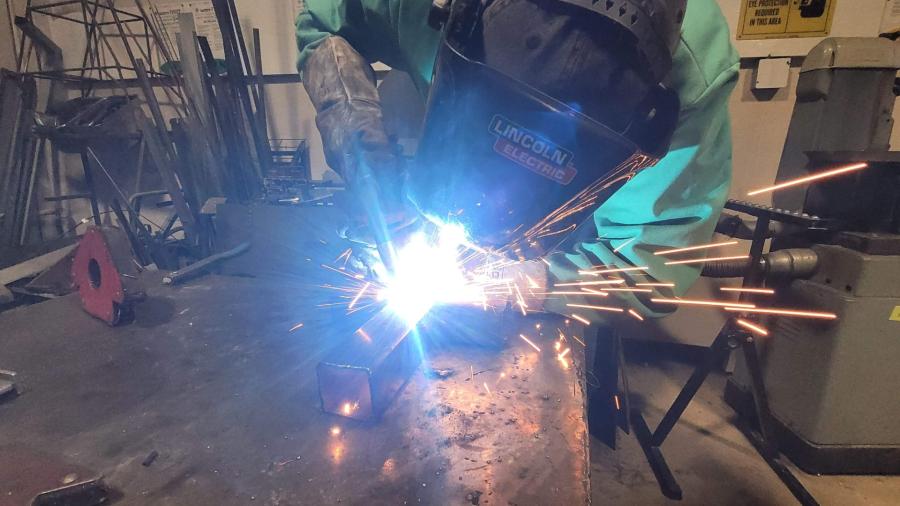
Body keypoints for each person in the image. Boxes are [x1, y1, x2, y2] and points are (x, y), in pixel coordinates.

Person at [296, 0, 739, 319]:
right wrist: (370, 162)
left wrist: (540, 284)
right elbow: (323, 27)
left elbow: (647, 266)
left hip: (564, 246)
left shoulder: (689, 77)